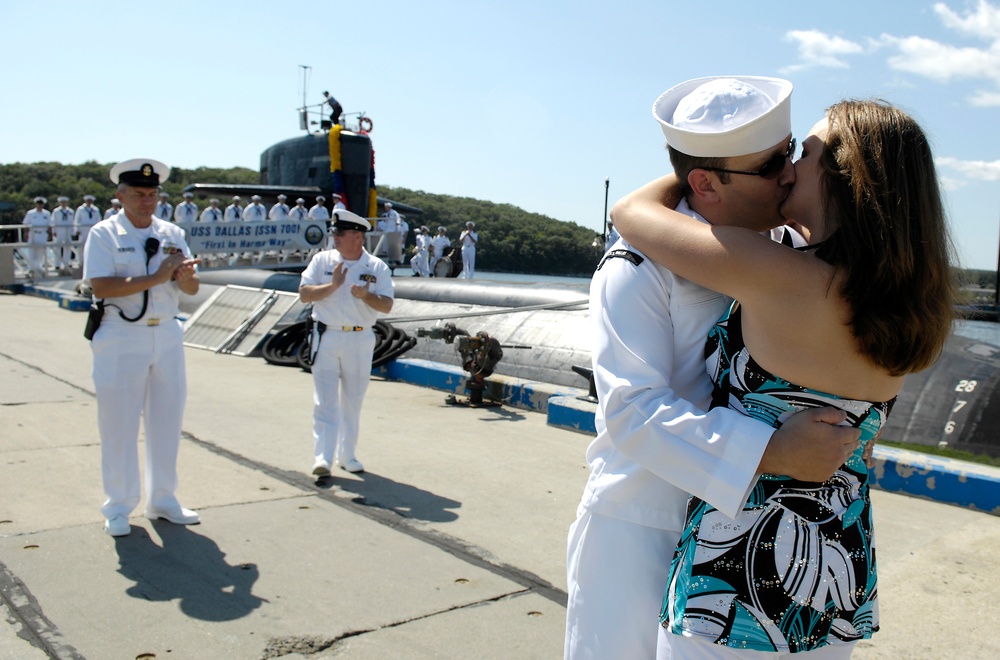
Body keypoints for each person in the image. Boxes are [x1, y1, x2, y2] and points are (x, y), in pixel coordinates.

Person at [612, 95, 955, 656]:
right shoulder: (908, 312)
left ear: (844, 178)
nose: (788, 168)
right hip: (838, 575)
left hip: (734, 580)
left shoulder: (778, 275)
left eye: (801, 154)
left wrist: (704, 169)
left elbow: (630, 211)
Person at [565, 76, 864, 660]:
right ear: (702, 182)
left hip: (746, 533)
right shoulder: (636, 268)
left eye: (791, 155)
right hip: (643, 526)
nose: (788, 173)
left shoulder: (788, 249)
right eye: (771, 163)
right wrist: (771, 450)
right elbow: (632, 412)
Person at [83, 158, 202, 537]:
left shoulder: (172, 233)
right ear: (120, 196)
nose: (147, 200)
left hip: (166, 334)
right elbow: (101, 287)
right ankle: (118, 506)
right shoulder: (104, 234)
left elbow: (191, 289)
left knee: (167, 421)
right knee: (118, 424)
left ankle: (163, 499)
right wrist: (156, 276)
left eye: (152, 194)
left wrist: (183, 277)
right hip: (121, 336)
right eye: (138, 194)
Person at [299, 209, 394, 476]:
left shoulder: (376, 268)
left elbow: (386, 305)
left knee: (353, 399)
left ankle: (347, 455)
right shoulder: (322, 261)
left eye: (340, 234)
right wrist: (333, 286)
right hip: (326, 335)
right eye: (335, 233)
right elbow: (305, 294)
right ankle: (323, 458)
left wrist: (366, 296)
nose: (335, 238)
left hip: (359, 337)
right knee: (325, 400)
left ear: (357, 236)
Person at [22, 196, 51, 275]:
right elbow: (26, 224)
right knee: (32, 252)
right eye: (38, 204)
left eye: (41, 204)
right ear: (36, 204)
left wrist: (50, 234)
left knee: (40, 252)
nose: (40, 205)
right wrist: (26, 233)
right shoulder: (30, 213)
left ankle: (38, 267)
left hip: (42, 234)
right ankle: (31, 267)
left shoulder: (47, 213)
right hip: (33, 233)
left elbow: (49, 225)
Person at [75, 195, 102, 262]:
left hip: (93, 229)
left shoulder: (95, 209)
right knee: (81, 246)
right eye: (88, 201)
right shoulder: (81, 209)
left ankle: (92, 261)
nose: (89, 202)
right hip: (83, 230)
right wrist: (77, 229)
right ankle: (80, 261)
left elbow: (99, 219)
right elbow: (77, 219)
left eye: (90, 201)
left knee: (93, 245)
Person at [51, 196, 75, 271]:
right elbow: (53, 221)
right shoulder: (56, 211)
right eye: (62, 202)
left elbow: (73, 222)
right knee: (57, 247)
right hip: (59, 231)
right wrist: (53, 231)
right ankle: (57, 264)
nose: (63, 204)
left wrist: (73, 231)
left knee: (68, 247)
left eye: (65, 202)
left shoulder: (70, 211)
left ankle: (66, 263)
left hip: (68, 231)